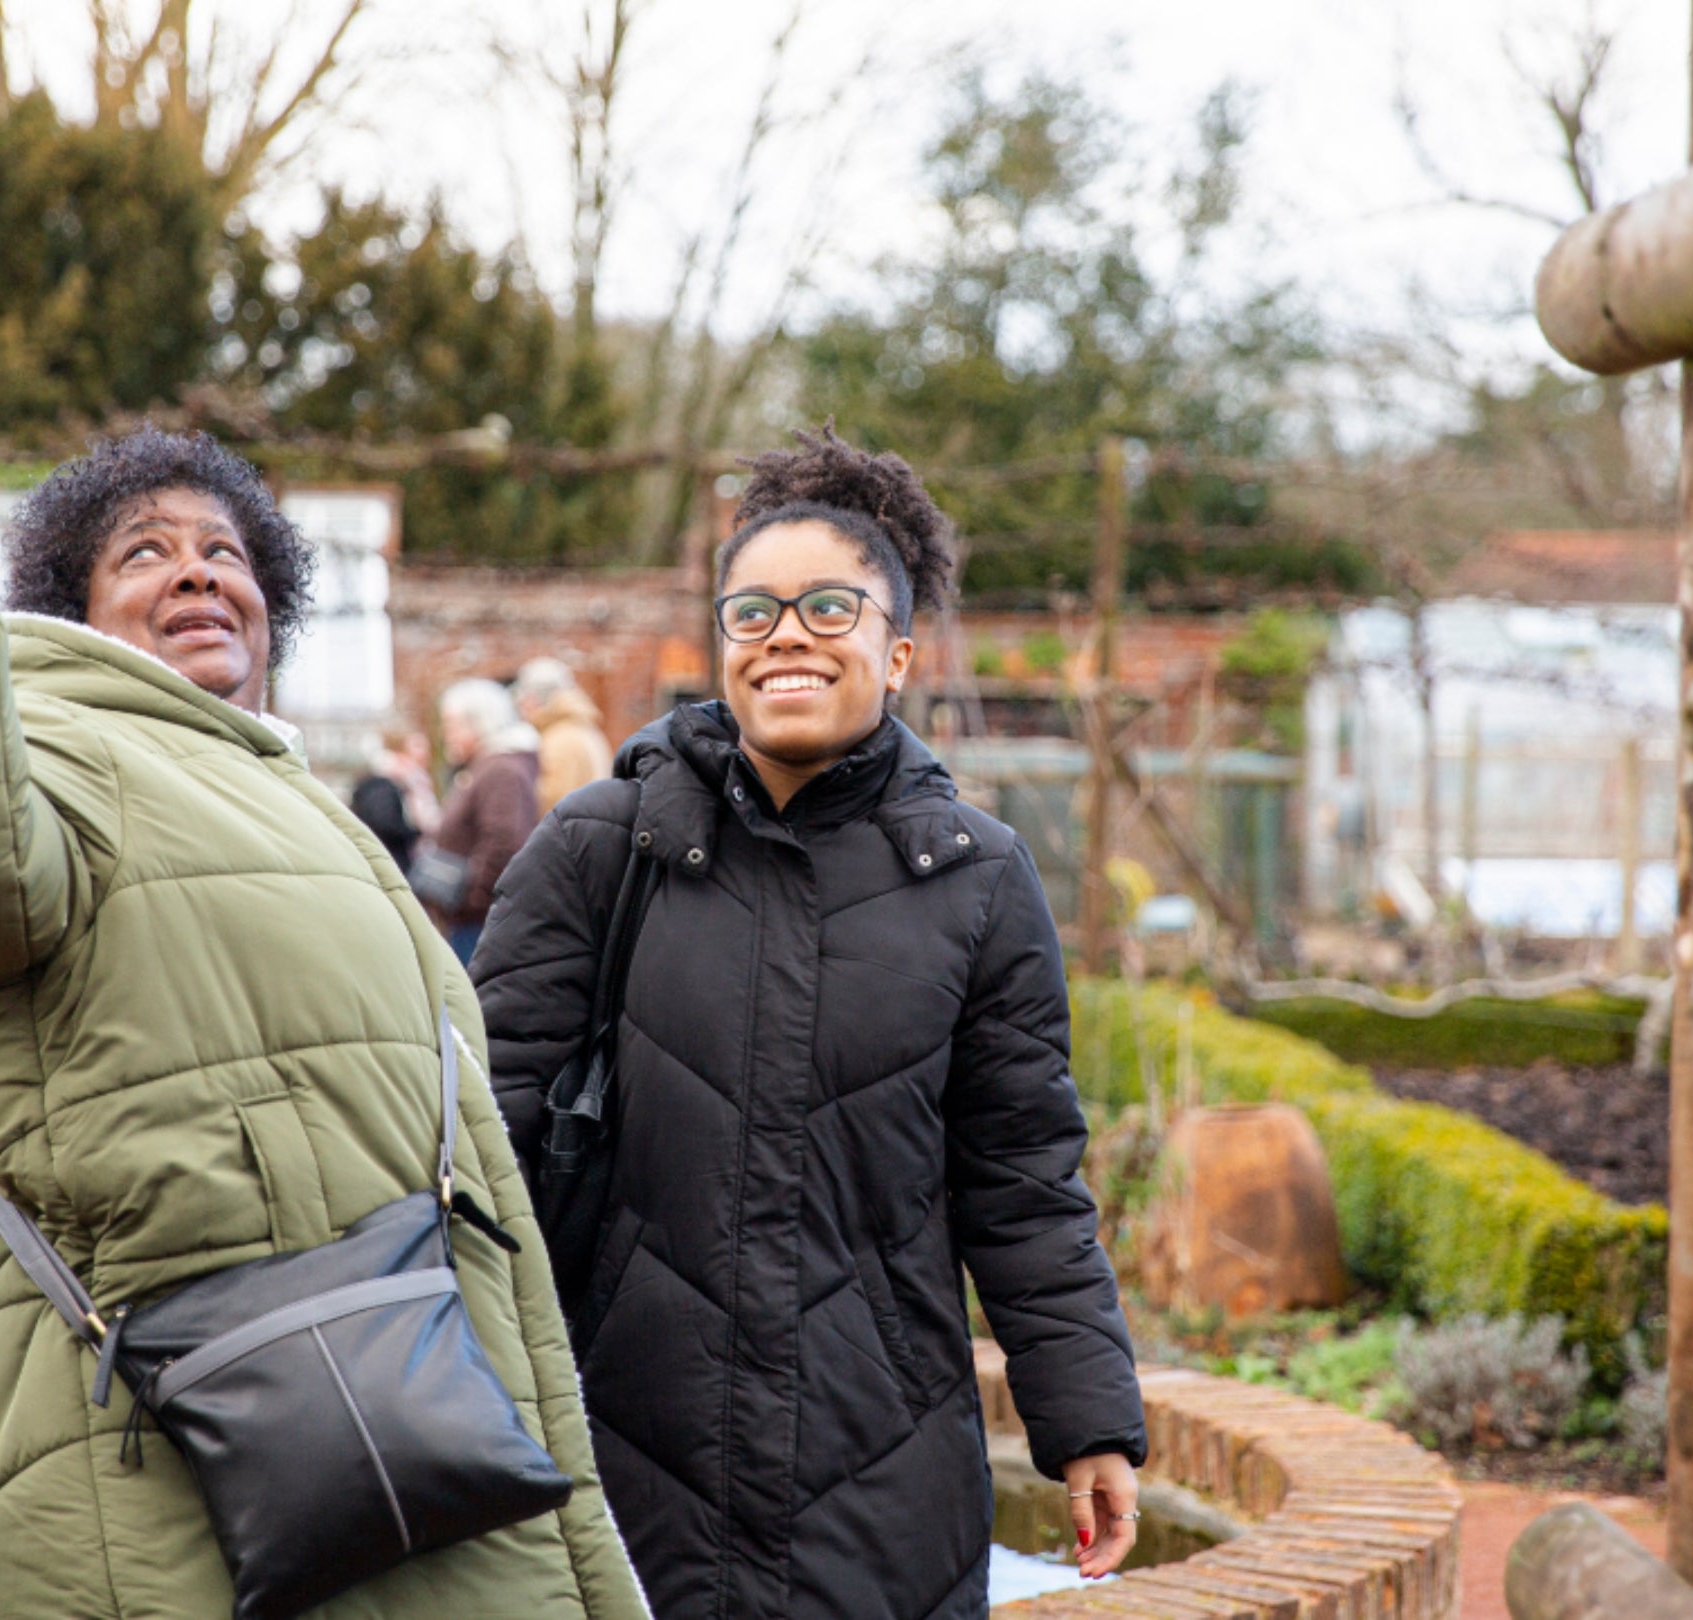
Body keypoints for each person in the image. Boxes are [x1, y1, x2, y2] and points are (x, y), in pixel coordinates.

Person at [0, 355, 644, 1620]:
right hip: (144, 1467)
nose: (197, 569)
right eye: (142, 553)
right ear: (74, 613)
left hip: (359, 1419)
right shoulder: (61, 749)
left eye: (225, 551)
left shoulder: (281, 790)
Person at [474, 428, 1147, 1620]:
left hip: (880, 1461)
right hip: (624, 1445)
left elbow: (1025, 1181)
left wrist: (1087, 1419)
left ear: (897, 654)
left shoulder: (979, 882)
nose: (789, 632)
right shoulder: (597, 848)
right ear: (722, 650)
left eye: (830, 607)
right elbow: (486, 1144)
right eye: (756, 611)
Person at [417, 679, 541, 962]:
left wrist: (468, 901)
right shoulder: (489, 766)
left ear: (479, 723)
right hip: (474, 919)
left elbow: (504, 844)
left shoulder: (500, 771)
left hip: (479, 924)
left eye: (451, 725)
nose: (445, 734)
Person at [515, 657, 614, 815]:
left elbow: (552, 801)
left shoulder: (559, 740)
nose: (521, 709)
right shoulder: (585, 729)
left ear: (534, 699)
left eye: (523, 700)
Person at [351, 726, 439, 870]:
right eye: (417, 746)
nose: (425, 753)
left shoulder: (418, 782)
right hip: (392, 863)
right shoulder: (385, 782)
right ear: (400, 750)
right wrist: (415, 834)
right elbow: (385, 823)